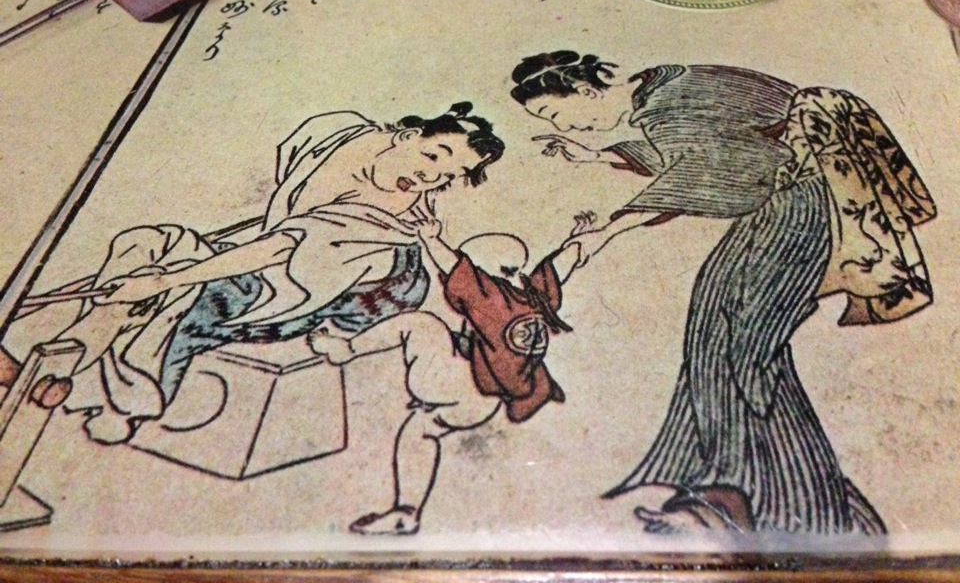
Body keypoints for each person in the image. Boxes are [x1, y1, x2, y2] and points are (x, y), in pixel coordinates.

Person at [508, 50, 936, 535]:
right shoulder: (664, 86)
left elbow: (719, 168)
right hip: (783, 204)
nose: (567, 127)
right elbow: (699, 149)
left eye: (556, 113)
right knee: (716, 329)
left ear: (586, 91)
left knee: (742, 347)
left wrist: (607, 229)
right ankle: (752, 487)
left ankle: (781, 500)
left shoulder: (665, 105)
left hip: (797, 209)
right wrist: (600, 155)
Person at [52, 103, 505, 443]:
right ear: (406, 136)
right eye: (434, 156)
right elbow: (282, 202)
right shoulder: (339, 131)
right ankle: (73, 351)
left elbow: (279, 250)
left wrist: (162, 281)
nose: (429, 178)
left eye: (448, 176)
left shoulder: (388, 221)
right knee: (146, 242)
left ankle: (117, 396)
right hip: (286, 261)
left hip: (324, 295)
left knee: (194, 296)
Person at [311, 202, 593, 535]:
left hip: (456, 384)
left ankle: (346, 349)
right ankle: (406, 512)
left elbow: (454, 267)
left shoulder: (493, 301)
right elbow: (563, 264)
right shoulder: (535, 298)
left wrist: (431, 239)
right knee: (421, 429)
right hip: (484, 403)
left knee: (421, 324)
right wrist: (578, 240)